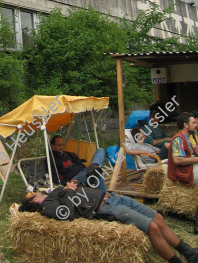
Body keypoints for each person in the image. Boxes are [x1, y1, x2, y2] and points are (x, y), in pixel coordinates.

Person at [19, 181, 198, 263]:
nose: (39, 192)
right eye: (35, 193)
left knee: (158, 218)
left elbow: (71, 193)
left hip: (112, 197)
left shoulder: (52, 196)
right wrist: (68, 191)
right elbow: (66, 214)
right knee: (151, 227)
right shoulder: (47, 207)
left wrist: (72, 185)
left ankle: (188, 252)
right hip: (105, 208)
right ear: (34, 201)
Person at [168, 112, 198, 186]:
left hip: (190, 169)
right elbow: (177, 160)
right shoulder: (178, 139)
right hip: (184, 174)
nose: (196, 125)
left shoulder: (187, 137)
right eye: (193, 123)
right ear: (185, 125)